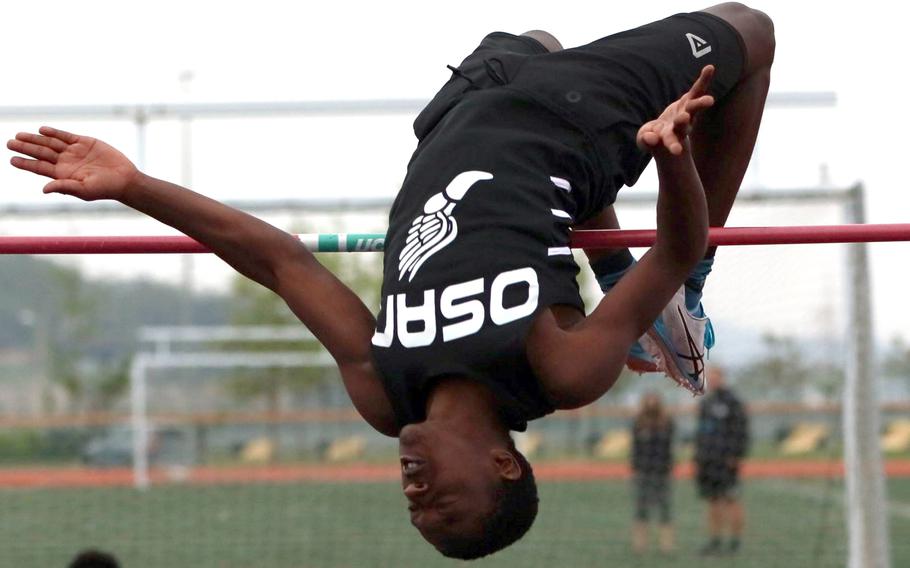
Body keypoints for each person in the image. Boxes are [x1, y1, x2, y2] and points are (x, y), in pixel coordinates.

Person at [8, 3, 774, 559]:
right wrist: (673, 159)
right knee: (753, 32)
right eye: (444, 504)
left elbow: (283, 261)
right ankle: (665, 301)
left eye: (416, 512)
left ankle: (612, 253)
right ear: (503, 464)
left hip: (455, 120)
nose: (415, 495)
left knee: (532, 35)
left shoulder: (385, 393)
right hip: (564, 121)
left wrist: (134, 185)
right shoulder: (561, 370)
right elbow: (671, 248)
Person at [694, 366, 750, 555]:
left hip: (726, 462)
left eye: (715, 376)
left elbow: (742, 431)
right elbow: (701, 433)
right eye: (709, 377)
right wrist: (698, 458)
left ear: (722, 378)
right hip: (708, 462)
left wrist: (735, 456)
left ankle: (735, 542)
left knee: (731, 499)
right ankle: (715, 541)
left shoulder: (732, 401)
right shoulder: (706, 403)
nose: (712, 380)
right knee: (713, 501)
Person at [630, 392, 676, 554]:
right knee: (641, 509)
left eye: (654, 399)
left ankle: (667, 545)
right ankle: (640, 545)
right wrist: (635, 468)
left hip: (661, 471)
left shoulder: (667, 423)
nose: (651, 403)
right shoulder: (638, 423)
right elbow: (635, 449)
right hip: (643, 471)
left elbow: (669, 448)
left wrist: (668, 467)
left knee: (665, 508)